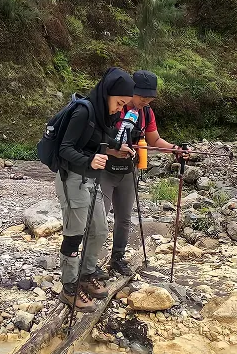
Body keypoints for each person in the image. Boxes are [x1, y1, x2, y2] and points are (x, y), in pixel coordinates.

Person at [56, 67, 135, 312]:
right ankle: (69, 288)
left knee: (99, 230)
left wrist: (117, 147)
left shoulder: (102, 115)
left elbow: (100, 139)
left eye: (124, 104)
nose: (120, 108)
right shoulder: (83, 111)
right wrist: (88, 161)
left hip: (91, 179)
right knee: (75, 233)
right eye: (119, 102)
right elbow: (64, 148)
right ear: (108, 93)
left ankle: (86, 273)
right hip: (72, 179)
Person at [101, 70, 188, 275]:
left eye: (150, 97)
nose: (145, 100)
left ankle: (117, 258)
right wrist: (113, 149)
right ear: (131, 90)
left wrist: (175, 149)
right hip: (104, 169)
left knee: (123, 218)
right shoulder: (113, 107)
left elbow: (154, 141)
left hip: (128, 171)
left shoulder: (145, 112)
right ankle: (91, 264)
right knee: (99, 217)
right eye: (142, 96)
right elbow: (95, 139)